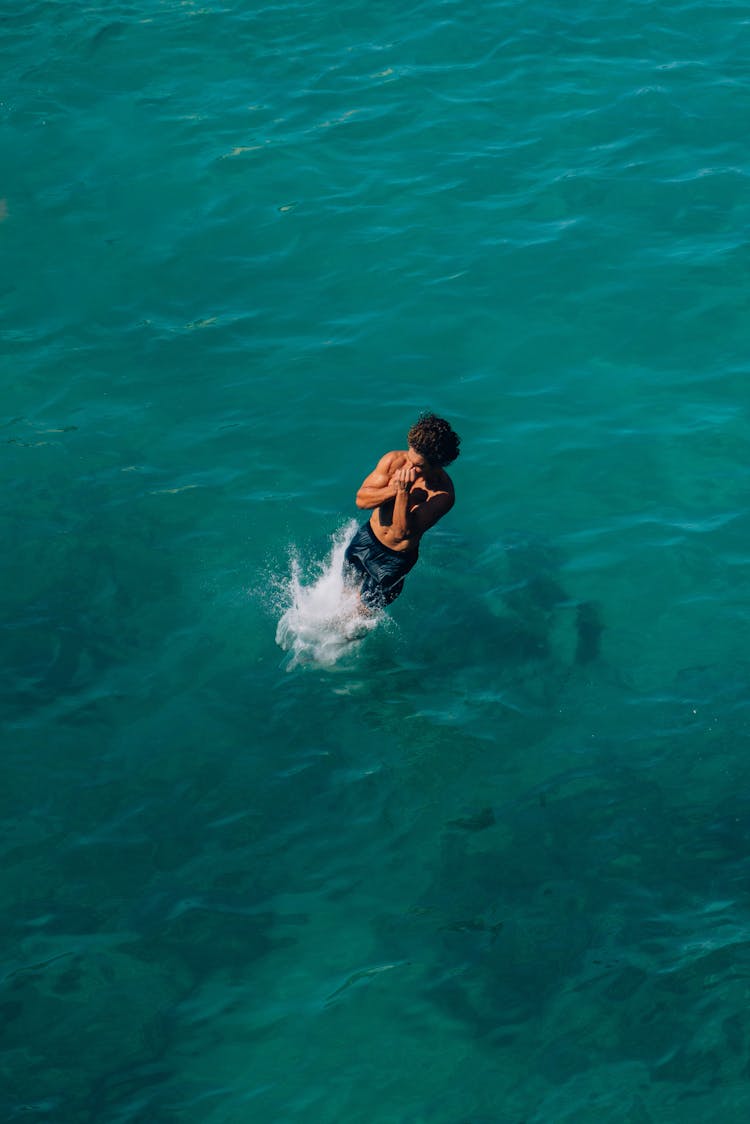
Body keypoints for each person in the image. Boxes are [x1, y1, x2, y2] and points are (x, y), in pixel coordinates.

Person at [344, 413, 460, 610]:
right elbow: (361, 500)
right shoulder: (394, 460)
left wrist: (404, 493)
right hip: (366, 538)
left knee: (361, 615)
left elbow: (401, 533)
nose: (410, 467)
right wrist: (395, 490)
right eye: (410, 457)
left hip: (393, 561)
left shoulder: (443, 495)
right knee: (345, 591)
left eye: (418, 466)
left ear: (437, 464)